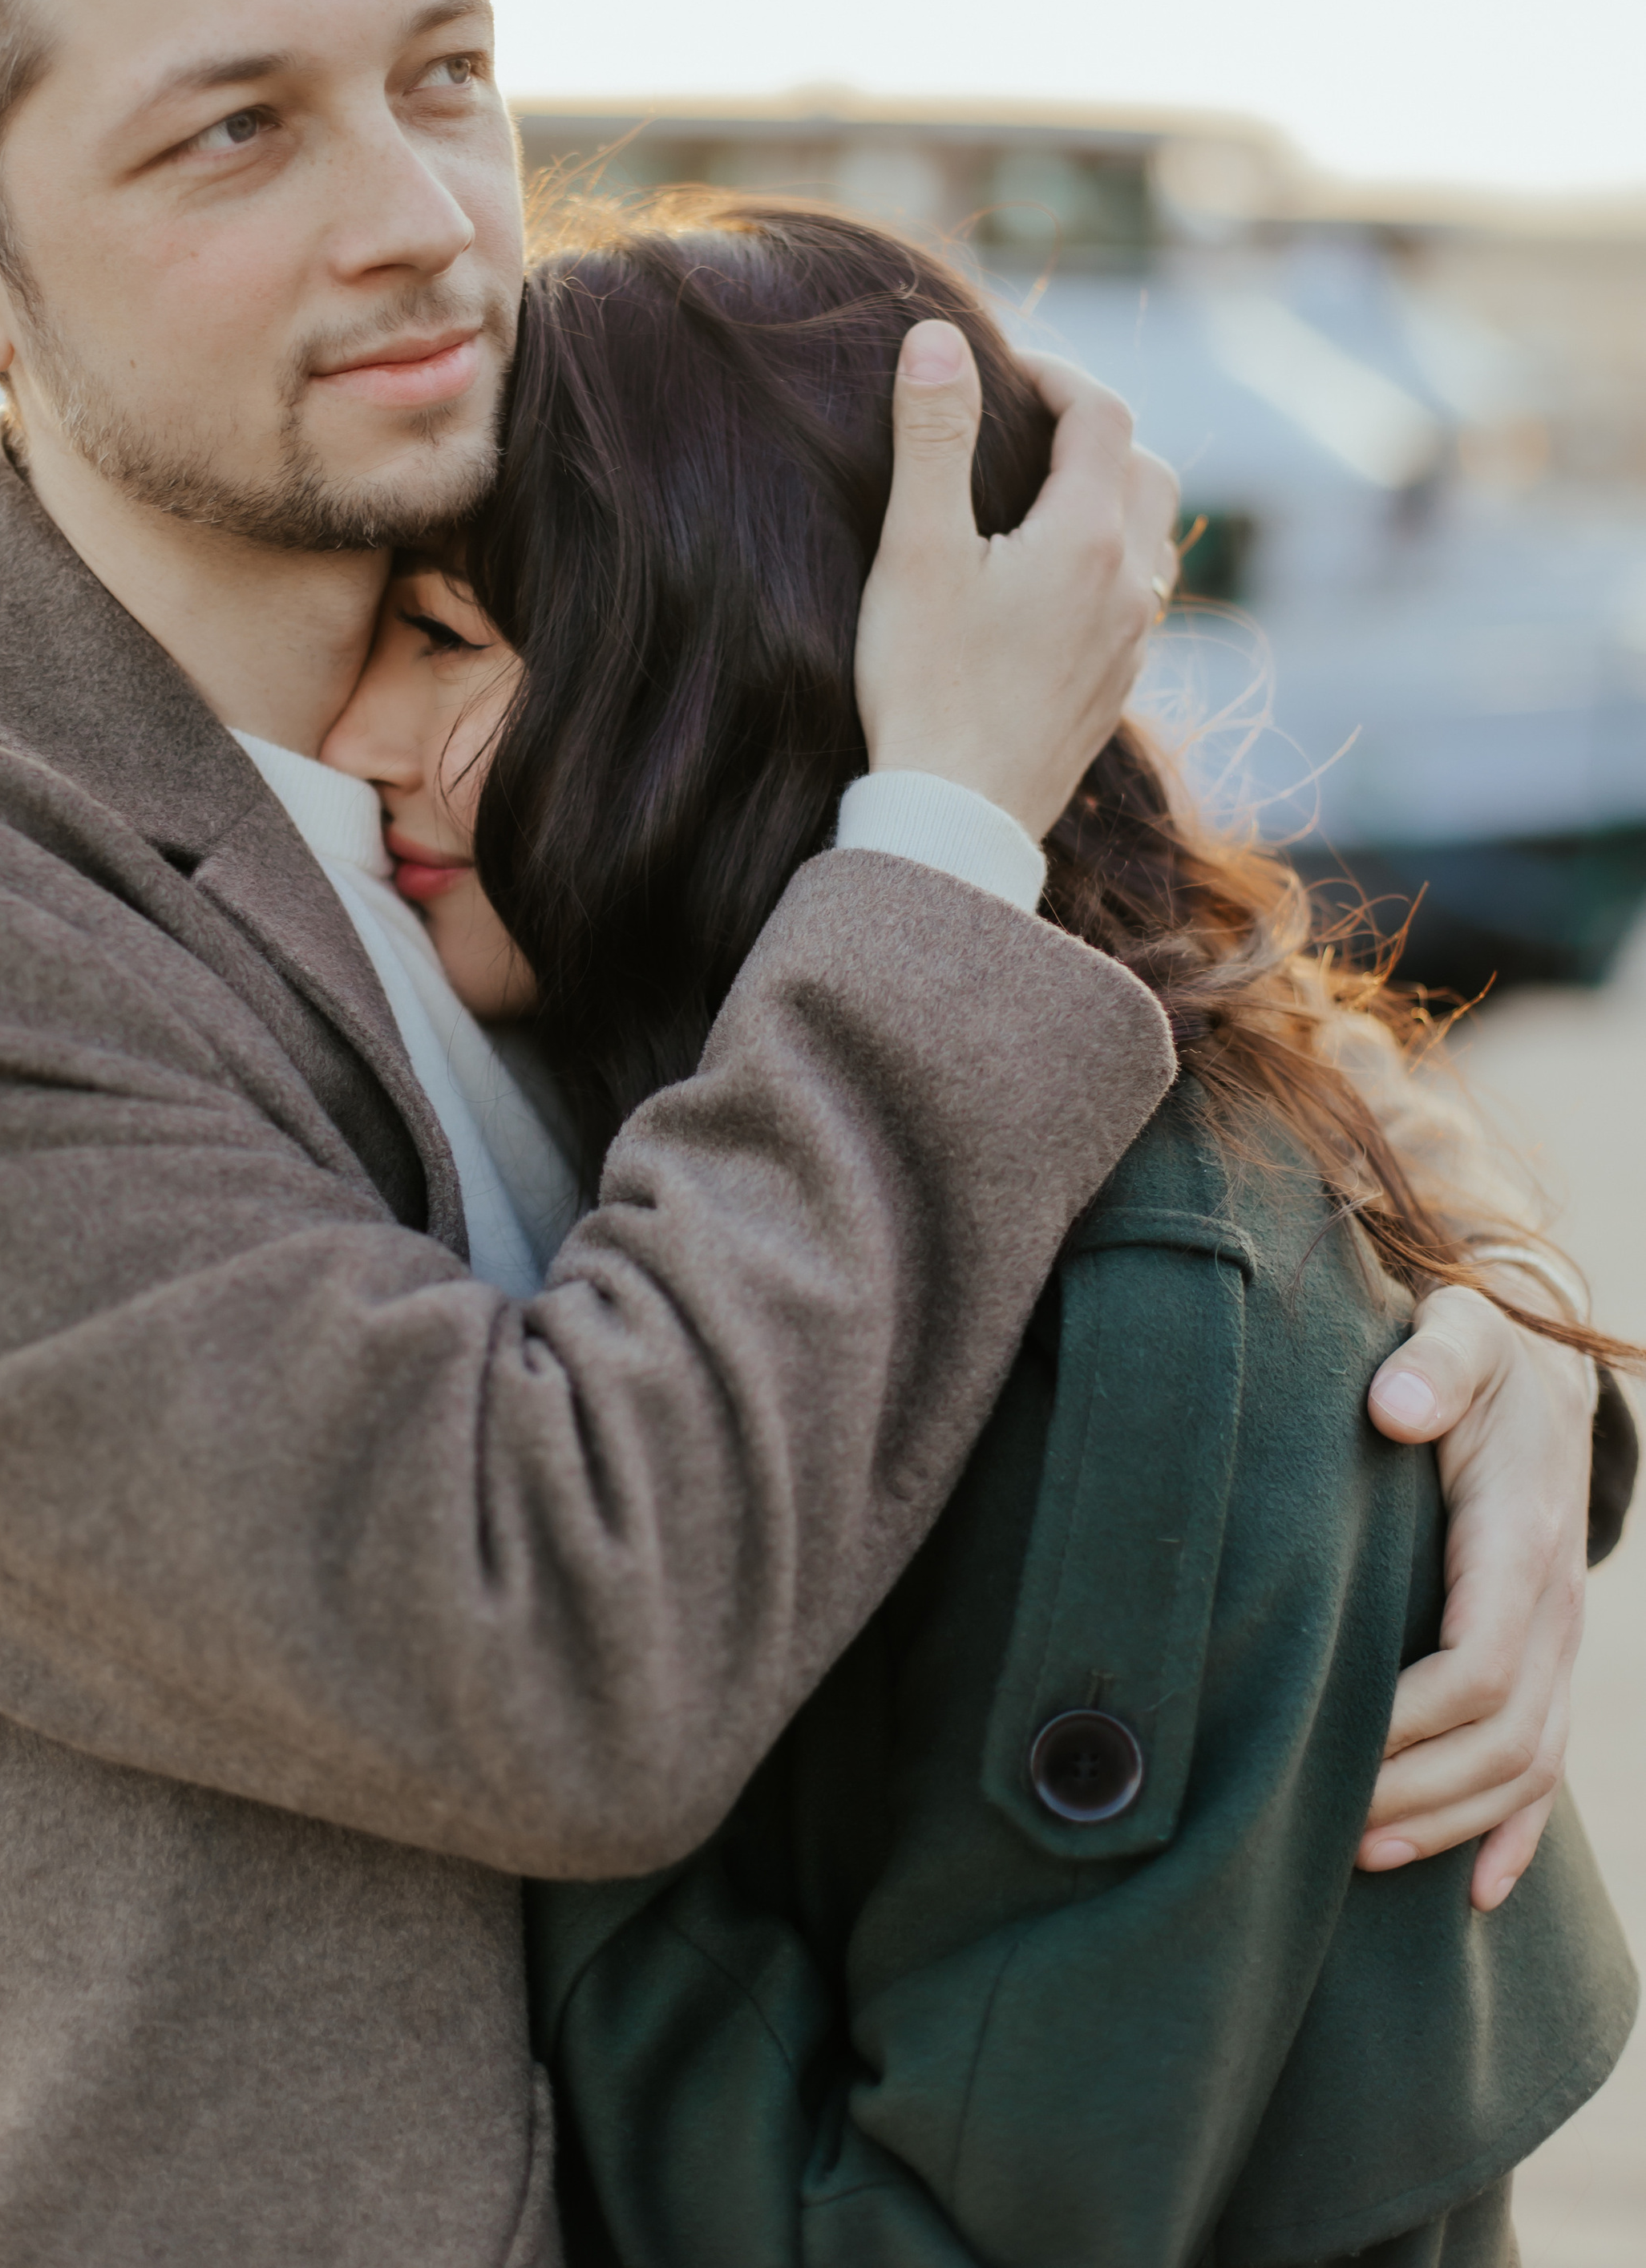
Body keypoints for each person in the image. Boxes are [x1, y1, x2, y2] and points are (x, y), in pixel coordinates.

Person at [0, 0, 1608, 2268]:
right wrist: (933, 831)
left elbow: (1122, 1058)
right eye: (236, 136)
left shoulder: (589, 646)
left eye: (443, 77)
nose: (423, 219)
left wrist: (1469, 1345)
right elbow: (553, 1649)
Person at [322, 195, 1640, 2267]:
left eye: (447, 641)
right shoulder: (905, 1113)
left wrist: (448, 1741)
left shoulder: (1123, 1341)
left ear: (721, 675)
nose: (354, 741)